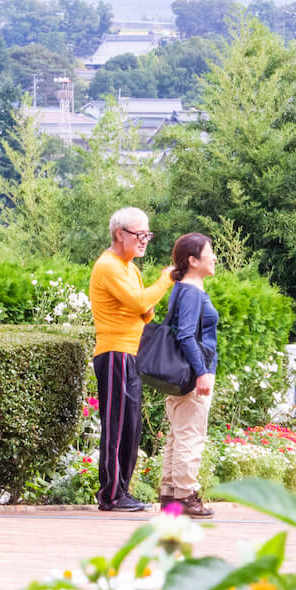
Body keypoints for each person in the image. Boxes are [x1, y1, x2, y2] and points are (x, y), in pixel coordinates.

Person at [88, 207, 173, 512]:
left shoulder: (130, 269)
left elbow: (145, 310)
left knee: (131, 426)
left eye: (147, 235)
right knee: (116, 426)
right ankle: (110, 494)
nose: (144, 241)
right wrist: (165, 280)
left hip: (130, 353)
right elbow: (140, 302)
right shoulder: (108, 266)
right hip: (114, 353)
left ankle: (122, 490)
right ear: (119, 234)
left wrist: (146, 301)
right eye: (139, 234)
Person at [158, 233, 219, 519]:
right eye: (210, 252)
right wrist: (202, 372)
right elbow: (185, 336)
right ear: (193, 260)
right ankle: (186, 495)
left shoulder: (181, 289)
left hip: (182, 374)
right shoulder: (192, 292)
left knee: (178, 434)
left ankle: (170, 495)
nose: (214, 257)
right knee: (190, 436)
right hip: (192, 375)